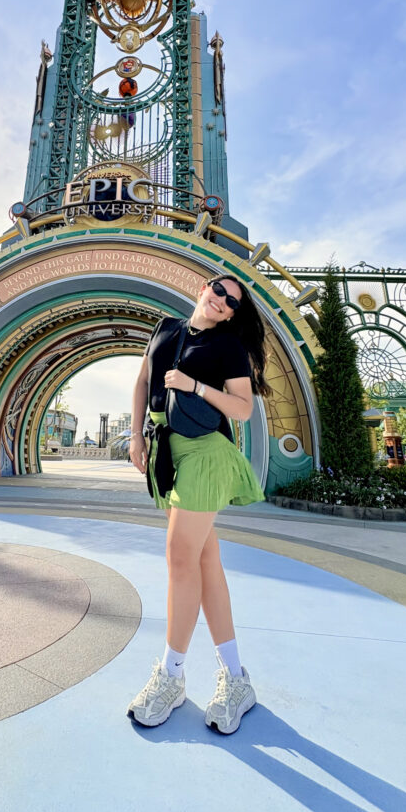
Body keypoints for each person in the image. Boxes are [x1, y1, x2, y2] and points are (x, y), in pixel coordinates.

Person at [127, 275, 270, 734]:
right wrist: (135, 435)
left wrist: (193, 386)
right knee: (206, 562)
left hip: (205, 452)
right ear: (203, 289)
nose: (221, 298)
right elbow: (142, 382)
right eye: (217, 288)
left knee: (180, 558)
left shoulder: (228, 345)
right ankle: (235, 677)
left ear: (232, 314)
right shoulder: (165, 327)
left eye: (230, 300)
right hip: (166, 451)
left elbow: (243, 408)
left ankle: (170, 675)